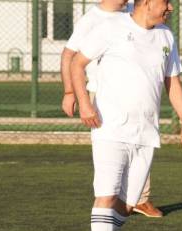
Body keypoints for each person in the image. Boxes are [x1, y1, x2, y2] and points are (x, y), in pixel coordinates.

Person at [71, 0, 182, 231]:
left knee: (128, 204)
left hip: (146, 133)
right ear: (148, 2)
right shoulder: (112, 25)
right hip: (109, 128)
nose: (172, 9)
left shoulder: (166, 35)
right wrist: (83, 103)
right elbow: (77, 63)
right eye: (167, 3)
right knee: (106, 192)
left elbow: (172, 82)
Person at [60, 0, 164, 219]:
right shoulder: (91, 20)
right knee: (112, 161)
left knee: (140, 144)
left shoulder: (131, 13)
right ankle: (108, 202)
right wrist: (71, 93)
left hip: (133, 97)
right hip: (103, 95)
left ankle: (139, 199)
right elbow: (70, 55)